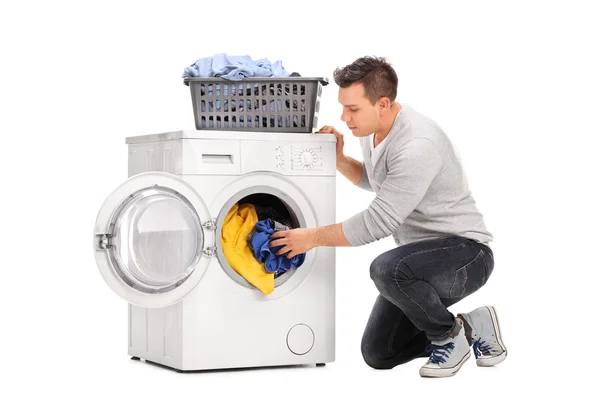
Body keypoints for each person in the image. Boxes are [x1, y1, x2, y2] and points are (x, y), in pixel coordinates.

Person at [269, 56, 507, 378]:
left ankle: (447, 338)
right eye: (343, 108)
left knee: (386, 268)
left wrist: (310, 238)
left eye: (353, 109)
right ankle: (469, 327)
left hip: (465, 256)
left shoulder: (418, 144)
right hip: (419, 261)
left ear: (382, 103)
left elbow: (379, 222)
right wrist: (339, 159)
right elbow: (378, 180)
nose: (344, 117)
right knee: (380, 352)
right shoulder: (374, 130)